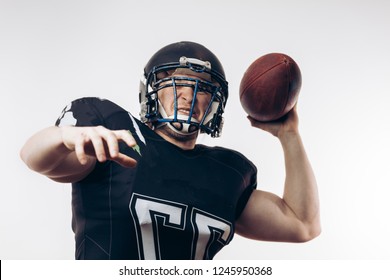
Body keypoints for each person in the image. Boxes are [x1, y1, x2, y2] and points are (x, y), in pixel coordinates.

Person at [20, 41, 320, 260]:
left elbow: (302, 224)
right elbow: (35, 158)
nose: (188, 95)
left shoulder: (227, 171)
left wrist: (289, 135)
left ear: (215, 104)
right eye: (174, 83)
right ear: (149, 91)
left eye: (203, 88)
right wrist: (64, 136)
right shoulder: (115, 134)